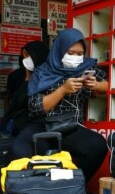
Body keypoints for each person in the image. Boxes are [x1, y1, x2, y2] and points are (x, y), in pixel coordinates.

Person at [8, 28, 109, 182]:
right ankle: (34, 192)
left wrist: (95, 85)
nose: (75, 57)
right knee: (19, 150)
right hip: (42, 124)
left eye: (79, 53)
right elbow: (36, 107)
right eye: (70, 52)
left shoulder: (87, 67)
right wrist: (63, 90)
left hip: (70, 125)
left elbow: (109, 85)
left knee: (97, 146)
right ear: (59, 50)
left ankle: (71, 185)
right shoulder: (43, 72)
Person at [0, 40, 50, 136]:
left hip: (24, 125)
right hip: (17, 122)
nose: (25, 57)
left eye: (27, 54)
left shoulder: (42, 81)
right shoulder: (24, 76)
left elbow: (19, 101)